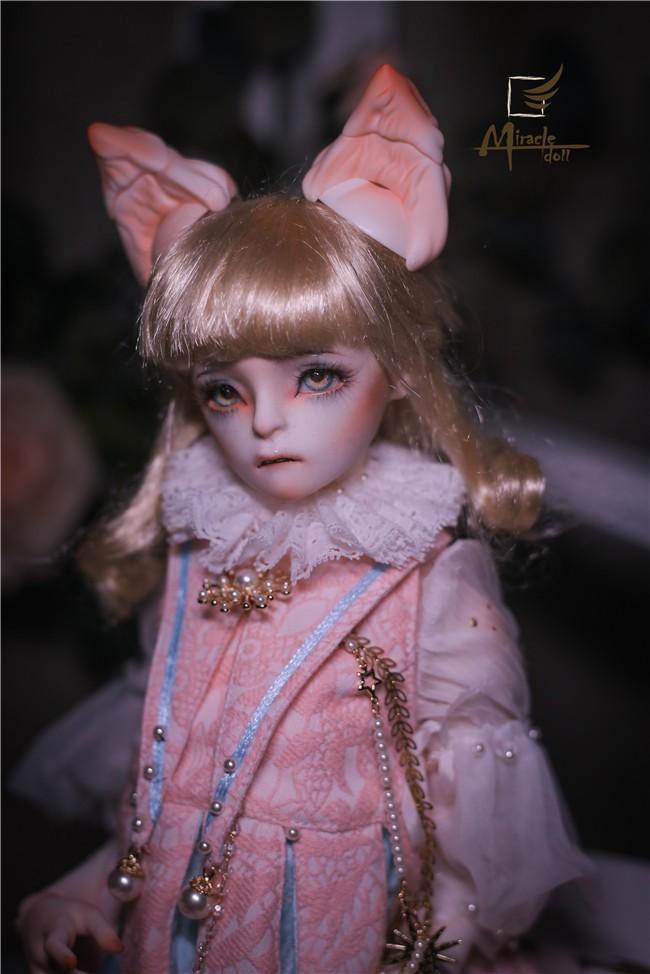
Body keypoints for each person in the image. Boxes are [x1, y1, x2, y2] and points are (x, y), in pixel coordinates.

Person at [16, 64, 593, 974]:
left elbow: (468, 826)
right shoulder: (201, 553)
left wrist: (437, 951)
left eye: (317, 375)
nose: (266, 423)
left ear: (396, 368)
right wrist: (85, 890)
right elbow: (166, 795)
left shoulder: (424, 578)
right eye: (223, 390)